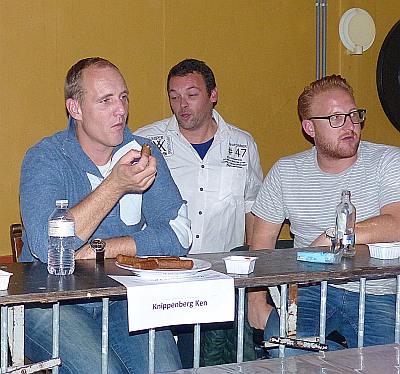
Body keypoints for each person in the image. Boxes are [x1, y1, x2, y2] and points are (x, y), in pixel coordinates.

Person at [19, 57, 192, 373]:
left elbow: (179, 234)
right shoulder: (45, 158)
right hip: (51, 303)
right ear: (76, 110)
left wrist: (101, 249)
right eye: (106, 100)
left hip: (122, 296)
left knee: (165, 369)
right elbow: (47, 246)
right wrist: (115, 185)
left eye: (124, 97)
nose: (121, 110)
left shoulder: (142, 151)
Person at [248, 74, 400, 356]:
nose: (350, 126)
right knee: (285, 348)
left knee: (385, 360)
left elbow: (396, 223)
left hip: (377, 291)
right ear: (309, 128)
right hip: (310, 289)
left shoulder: (388, 160)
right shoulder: (286, 172)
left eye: (354, 115)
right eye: (336, 118)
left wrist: (336, 235)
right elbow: (262, 240)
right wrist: (255, 300)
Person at [134, 59, 263, 366]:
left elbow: (253, 214)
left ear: (213, 95)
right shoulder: (147, 143)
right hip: (163, 278)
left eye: (191, 94)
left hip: (221, 281)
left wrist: (255, 284)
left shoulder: (241, 145)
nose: (182, 104)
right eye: (174, 95)